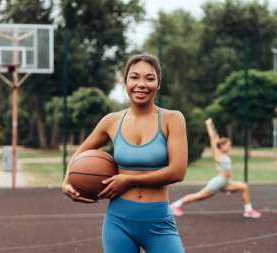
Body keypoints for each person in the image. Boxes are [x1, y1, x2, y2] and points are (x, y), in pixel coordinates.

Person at [62, 54, 188, 253]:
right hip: (118, 221)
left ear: (158, 83)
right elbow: (81, 152)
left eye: (149, 78)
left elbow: (178, 172)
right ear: (125, 82)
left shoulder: (172, 119)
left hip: (158, 222)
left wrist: (128, 180)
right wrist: (66, 180)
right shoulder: (111, 121)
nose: (141, 84)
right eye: (134, 77)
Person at [170, 118, 261, 219]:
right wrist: (209, 125)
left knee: (244, 187)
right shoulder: (218, 155)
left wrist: (213, 126)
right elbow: (213, 138)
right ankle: (175, 205)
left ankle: (248, 210)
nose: (229, 147)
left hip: (225, 182)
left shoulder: (224, 155)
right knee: (199, 196)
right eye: (227, 145)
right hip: (218, 182)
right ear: (221, 146)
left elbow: (216, 136)